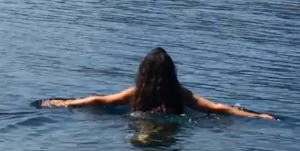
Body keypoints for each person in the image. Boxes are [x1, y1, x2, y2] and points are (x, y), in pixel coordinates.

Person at [40, 47, 275, 119]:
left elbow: (99, 100)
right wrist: (258, 116)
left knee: (144, 134)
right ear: (171, 72)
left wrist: (62, 103)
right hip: (171, 127)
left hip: (140, 121)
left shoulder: (136, 92)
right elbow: (217, 108)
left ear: (143, 72)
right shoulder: (180, 93)